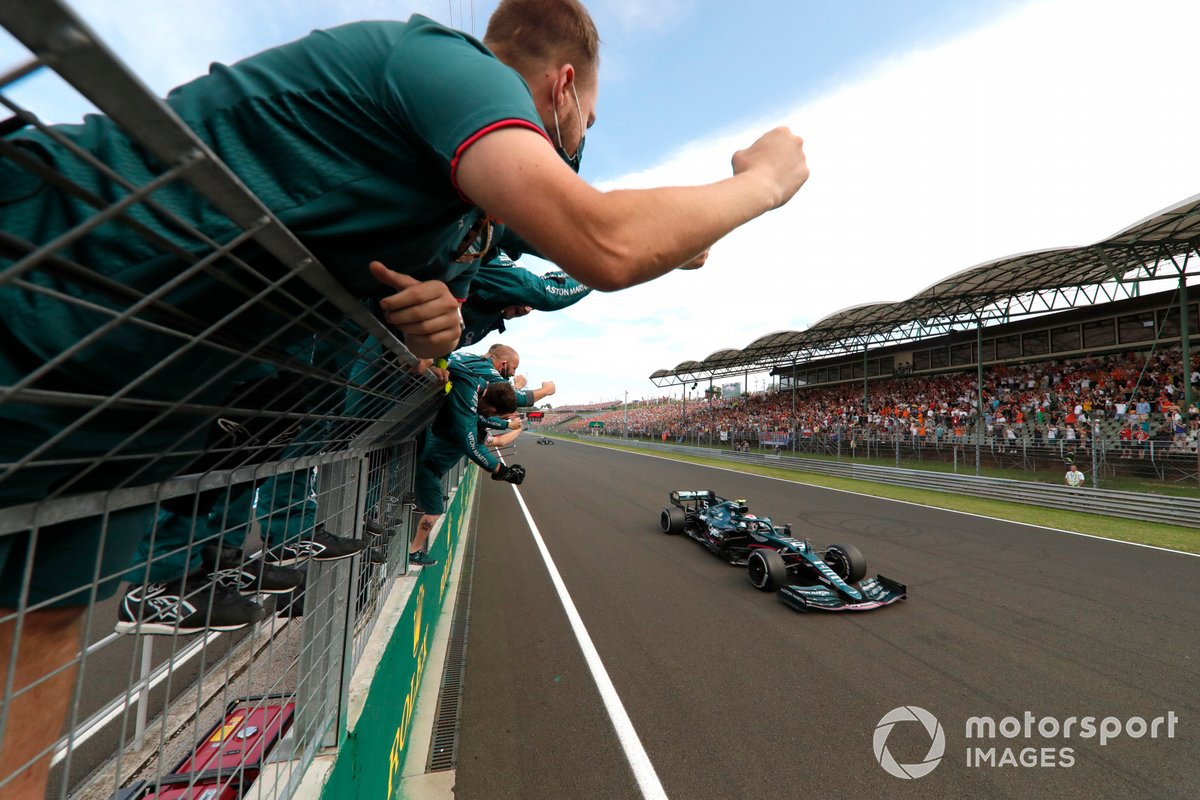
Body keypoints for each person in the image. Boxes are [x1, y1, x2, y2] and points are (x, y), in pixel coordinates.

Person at [1, 1, 810, 790]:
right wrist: (764, 183)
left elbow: (664, 245)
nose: (582, 142)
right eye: (588, 123)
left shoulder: (466, 193)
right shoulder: (452, 71)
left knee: (37, 626)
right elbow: (606, 240)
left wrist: (435, 325)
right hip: (52, 263)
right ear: (562, 88)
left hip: (141, 377)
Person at [411, 380, 524, 567]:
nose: (494, 416)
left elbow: (484, 426)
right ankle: (414, 552)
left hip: (430, 466)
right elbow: (475, 448)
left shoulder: (470, 413)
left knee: (432, 504)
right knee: (435, 511)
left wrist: (506, 424)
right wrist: (501, 471)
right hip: (429, 467)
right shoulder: (467, 422)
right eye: (495, 412)